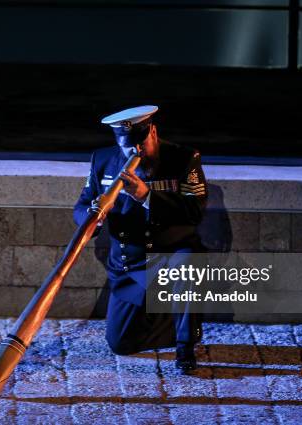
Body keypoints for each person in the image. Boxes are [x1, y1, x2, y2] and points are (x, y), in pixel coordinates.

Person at [73, 105, 208, 373]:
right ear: (117, 141)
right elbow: (82, 205)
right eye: (128, 146)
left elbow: (195, 211)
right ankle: (169, 317)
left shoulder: (183, 158)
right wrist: (92, 217)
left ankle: (185, 346)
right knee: (120, 343)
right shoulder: (102, 160)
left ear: (153, 132)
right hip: (130, 264)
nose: (135, 151)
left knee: (187, 266)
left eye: (140, 143)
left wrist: (146, 196)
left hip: (172, 253)